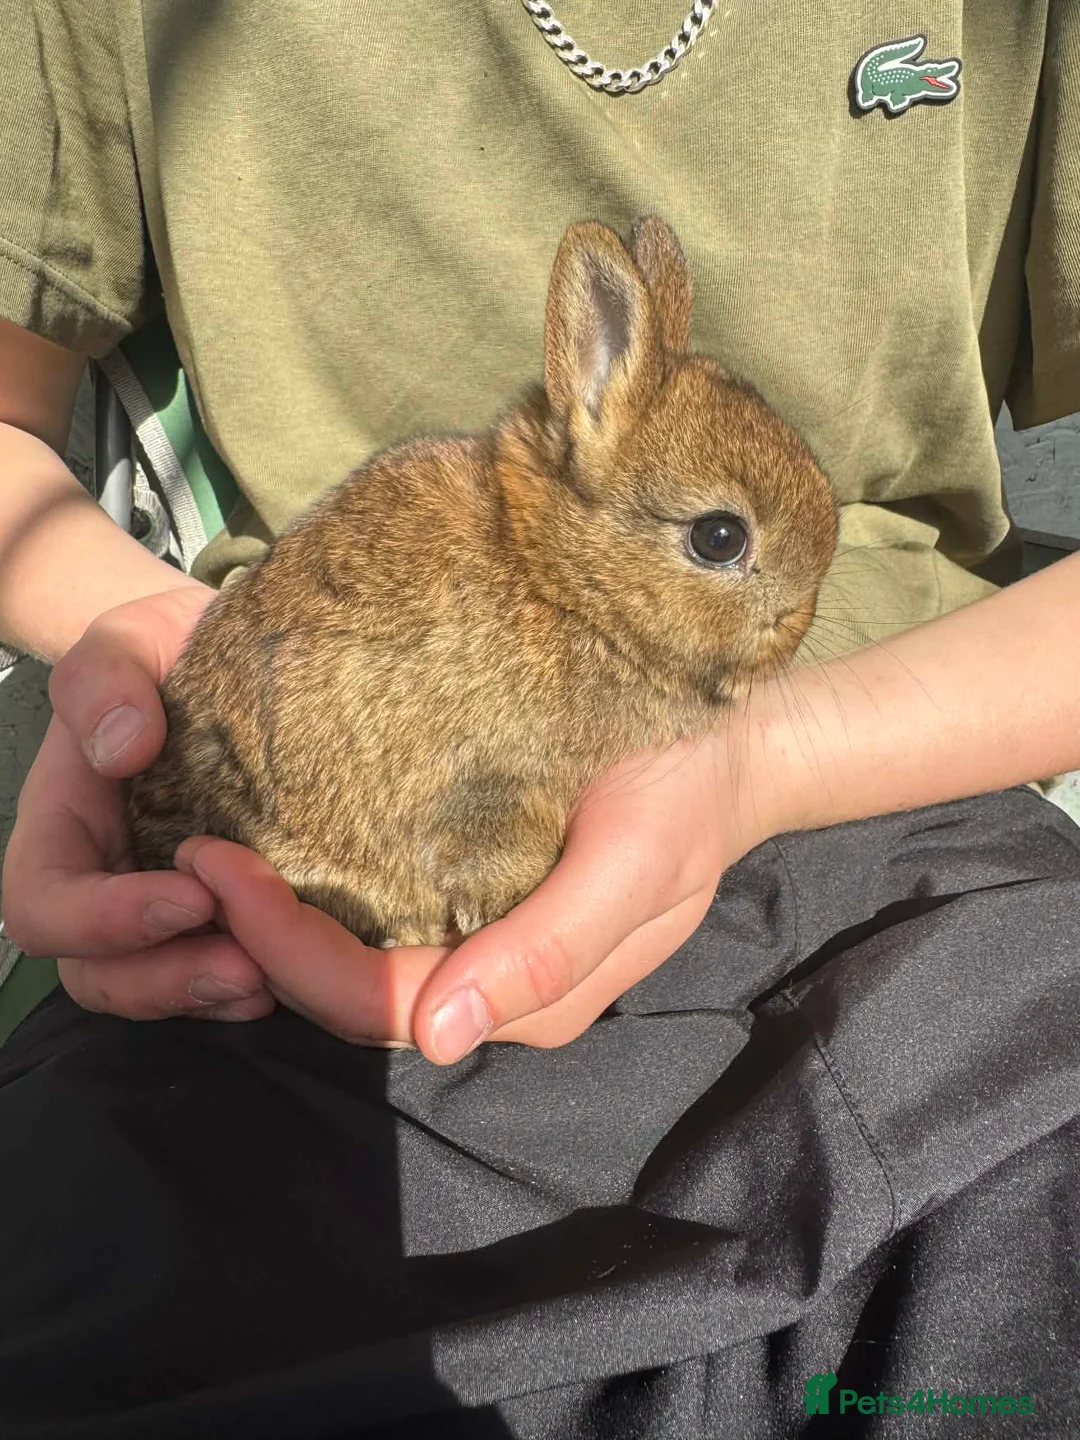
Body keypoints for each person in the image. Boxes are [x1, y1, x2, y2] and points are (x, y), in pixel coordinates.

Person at [0, 2, 1077, 1435]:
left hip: (913, 801)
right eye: (719, 547)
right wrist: (134, 657)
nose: (771, 592)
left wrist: (763, 757)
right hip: (286, 899)